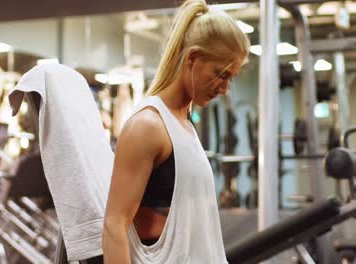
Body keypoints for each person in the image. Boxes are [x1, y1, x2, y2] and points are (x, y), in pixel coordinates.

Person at [100, 0, 250, 263]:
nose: (225, 88)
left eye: (231, 78)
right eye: (221, 74)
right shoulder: (148, 126)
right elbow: (114, 225)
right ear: (192, 58)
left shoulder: (183, 125)